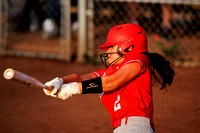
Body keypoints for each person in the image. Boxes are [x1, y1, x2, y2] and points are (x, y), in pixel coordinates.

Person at [43, 23, 175, 133]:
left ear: (128, 47)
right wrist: (60, 81)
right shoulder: (108, 72)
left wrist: (74, 88)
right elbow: (81, 78)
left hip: (136, 127)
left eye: (111, 47)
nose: (107, 52)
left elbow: (113, 82)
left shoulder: (139, 60)